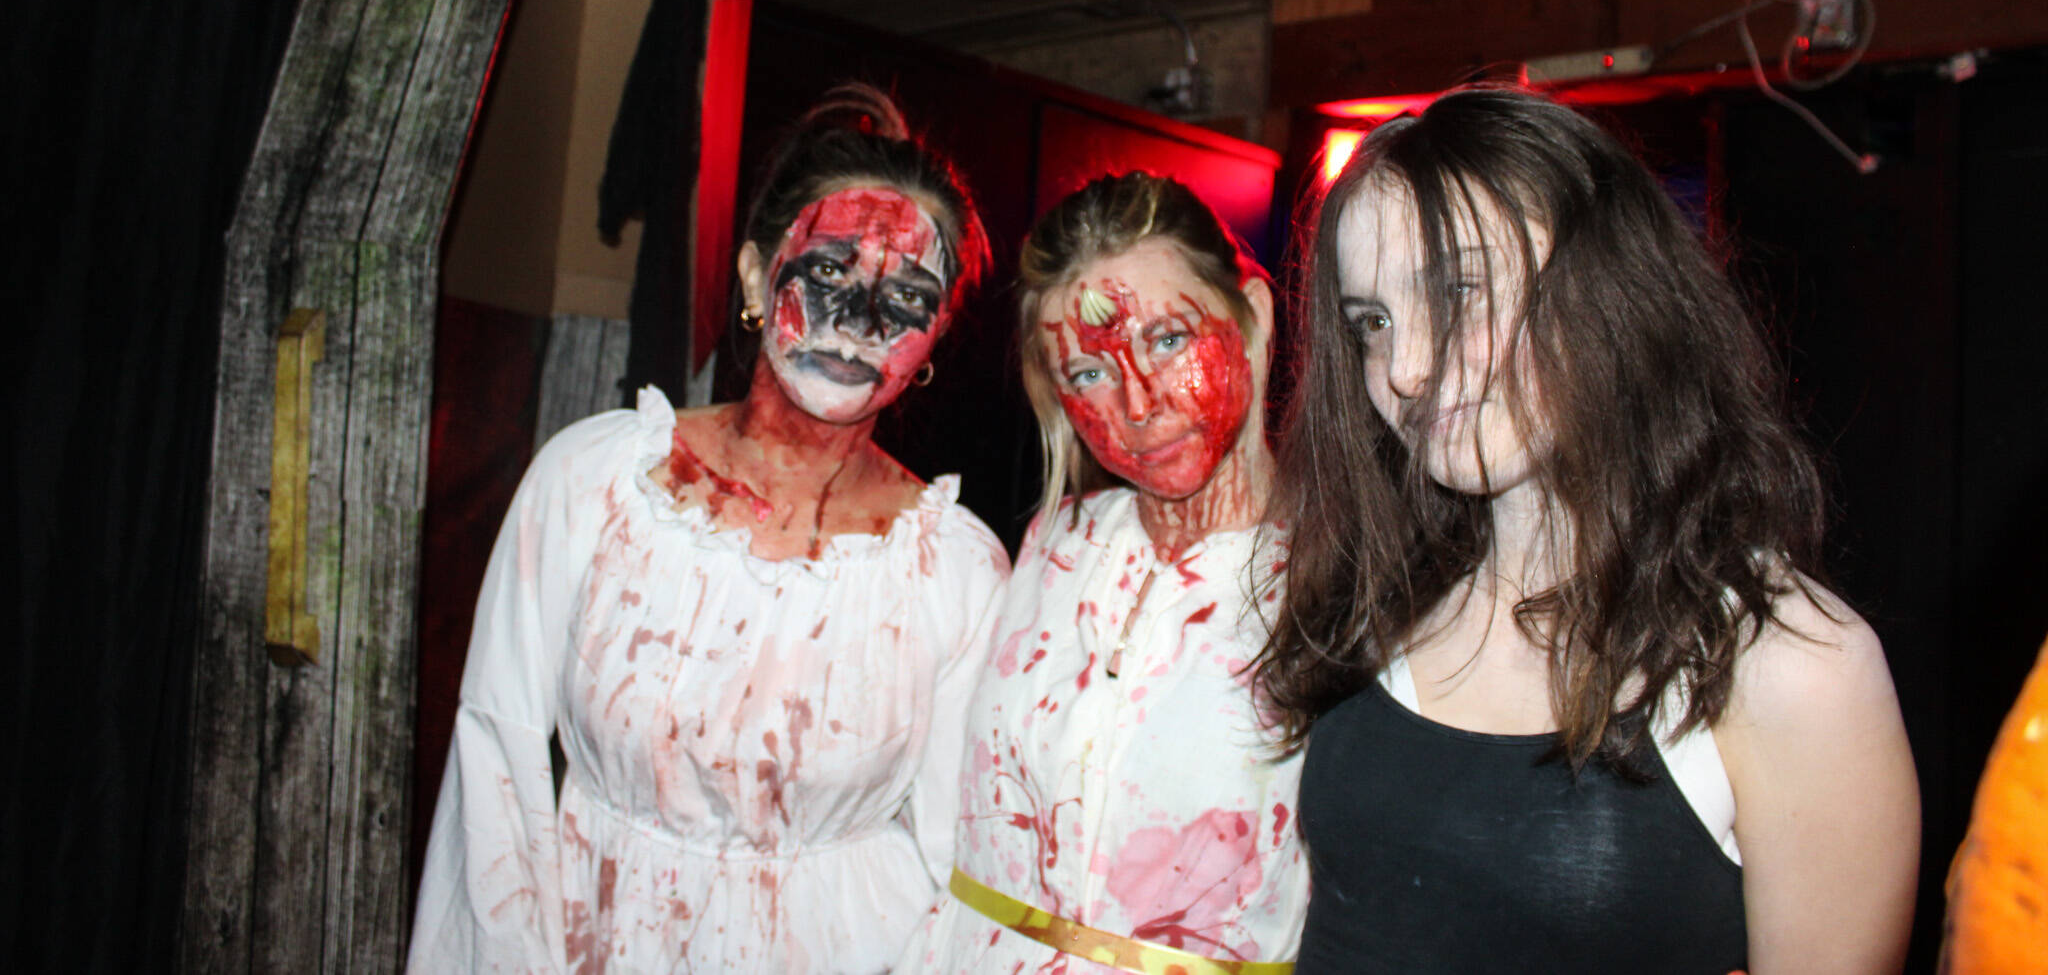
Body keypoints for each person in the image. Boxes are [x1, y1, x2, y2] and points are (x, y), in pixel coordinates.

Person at [1256, 85, 1920, 975]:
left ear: (1608, 288)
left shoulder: (1789, 665)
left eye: (1459, 289)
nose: (1405, 368)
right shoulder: (1381, 591)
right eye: (1372, 321)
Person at [407, 86, 1010, 973]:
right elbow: (496, 772)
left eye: (906, 294)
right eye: (832, 272)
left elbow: (953, 861)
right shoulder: (598, 481)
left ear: (939, 330)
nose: (859, 324)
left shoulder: (957, 569)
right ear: (756, 275)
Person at [898, 173, 1309, 975]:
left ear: (1253, 316)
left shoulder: (1343, 586)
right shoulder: (1053, 545)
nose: (1138, 402)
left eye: (1166, 339)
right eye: (1088, 373)